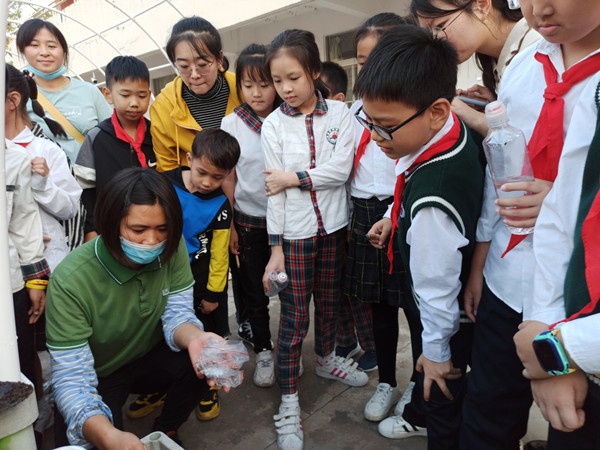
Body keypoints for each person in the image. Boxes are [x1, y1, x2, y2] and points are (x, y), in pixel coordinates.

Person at [356, 24, 484, 449]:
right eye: (369, 122)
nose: (375, 136)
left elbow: (435, 287)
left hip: (449, 313)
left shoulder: (433, 203)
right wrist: (394, 215)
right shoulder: (448, 133)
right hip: (458, 290)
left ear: (437, 110)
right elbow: (409, 177)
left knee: (441, 389)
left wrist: (436, 353)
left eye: (386, 126)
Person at [46, 168, 227, 449]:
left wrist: (195, 337)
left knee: (203, 359)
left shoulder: (173, 246)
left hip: (149, 355)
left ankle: (165, 429)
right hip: (100, 374)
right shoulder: (70, 281)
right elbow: (72, 378)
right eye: (138, 230)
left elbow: (177, 313)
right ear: (110, 222)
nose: (152, 241)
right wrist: (108, 436)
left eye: (163, 228)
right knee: (89, 431)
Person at [502, 0, 600, 449]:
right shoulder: (528, 65)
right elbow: (563, 216)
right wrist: (546, 331)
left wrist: (558, 350)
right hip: (551, 313)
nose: (539, 7)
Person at [260, 29, 364, 450]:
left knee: (331, 301)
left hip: (335, 228)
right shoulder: (273, 125)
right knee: (293, 319)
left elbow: (341, 170)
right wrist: (276, 249)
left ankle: (325, 359)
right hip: (296, 236)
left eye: (293, 78)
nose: (285, 88)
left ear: (314, 71)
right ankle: (288, 401)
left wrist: (293, 178)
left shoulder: (340, 114)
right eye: (277, 80)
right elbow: (273, 191)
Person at [163, 128, 240, 421]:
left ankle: (210, 386)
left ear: (228, 174)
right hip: (164, 275)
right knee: (167, 334)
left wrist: (213, 294)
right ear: (188, 159)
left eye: (217, 177)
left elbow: (219, 255)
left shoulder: (221, 205)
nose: (208, 183)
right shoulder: (163, 184)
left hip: (201, 279)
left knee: (210, 334)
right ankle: (160, 387)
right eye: (201, 173)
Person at [16, 18, 113, 251]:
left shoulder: (89, 92)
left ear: (64, 50)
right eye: (34, 45)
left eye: (52, 45)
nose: (44, 52)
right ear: (23, 50)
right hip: (42, 196)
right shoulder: (15, 96)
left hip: (91, 195)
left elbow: (111, 139)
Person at [221, 43, 282, 388]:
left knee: (290, 293)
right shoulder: (232, 123)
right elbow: (228, 177)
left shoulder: (288, 118)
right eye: (248, 85)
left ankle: (288, 350)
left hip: (288, 224)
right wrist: (230, 224)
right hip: (249, 222)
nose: (257, 93)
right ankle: (263, 351)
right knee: (254, 294)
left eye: (264, 84)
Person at [411, 0, 540, 137]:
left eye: (440, 26)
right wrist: (496, 105)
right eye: (430, 34)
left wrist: (473, 117)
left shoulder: (536, 50)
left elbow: (533, 138)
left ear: (482, 5)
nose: (436, 41)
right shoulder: (495, 60)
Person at [5, 64, 81, 272]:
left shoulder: (46, 150)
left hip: (47, 265)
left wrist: (43, 184)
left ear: (13, 100)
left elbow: (70, 209)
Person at [74, 55, 156, 240]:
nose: (134, 102)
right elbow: (84, 190)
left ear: (149, 94)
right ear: (108, 95)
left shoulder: (157, 134)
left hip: (152, 230)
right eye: (125, 95)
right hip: (109, 231)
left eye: (142, 95)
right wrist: (90, 229)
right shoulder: (96, 138)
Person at [151, 16, 242, 172]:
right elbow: (167, 169)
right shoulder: (163, 107)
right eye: (184, 66)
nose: (194, 75)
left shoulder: (243, 89)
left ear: (219, 59)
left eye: (202, 65)